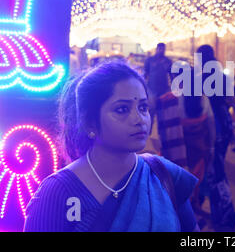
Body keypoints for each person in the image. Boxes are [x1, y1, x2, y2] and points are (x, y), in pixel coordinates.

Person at [24, 61, 199, 232]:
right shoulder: (57, 193)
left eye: (143, 107)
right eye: (122, 109)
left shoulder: (163, 175)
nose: (140, 119)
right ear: (90, 123)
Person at [196, 45, 235, 230]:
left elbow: (198, 106)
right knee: (216, 167)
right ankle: (220, 212)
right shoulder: (222, 76)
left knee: (215, 170)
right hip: (225, 123)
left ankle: (225, 213)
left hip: (212, 127)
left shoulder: (199, 79)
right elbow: (230, 100)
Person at [178, 67, 216, 216]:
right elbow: (211, 123)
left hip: (183, 146)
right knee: (199, 175)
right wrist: (211, 145)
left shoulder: (176, 98)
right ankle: (196, 204)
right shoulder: (203, 98)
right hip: (200, 146)